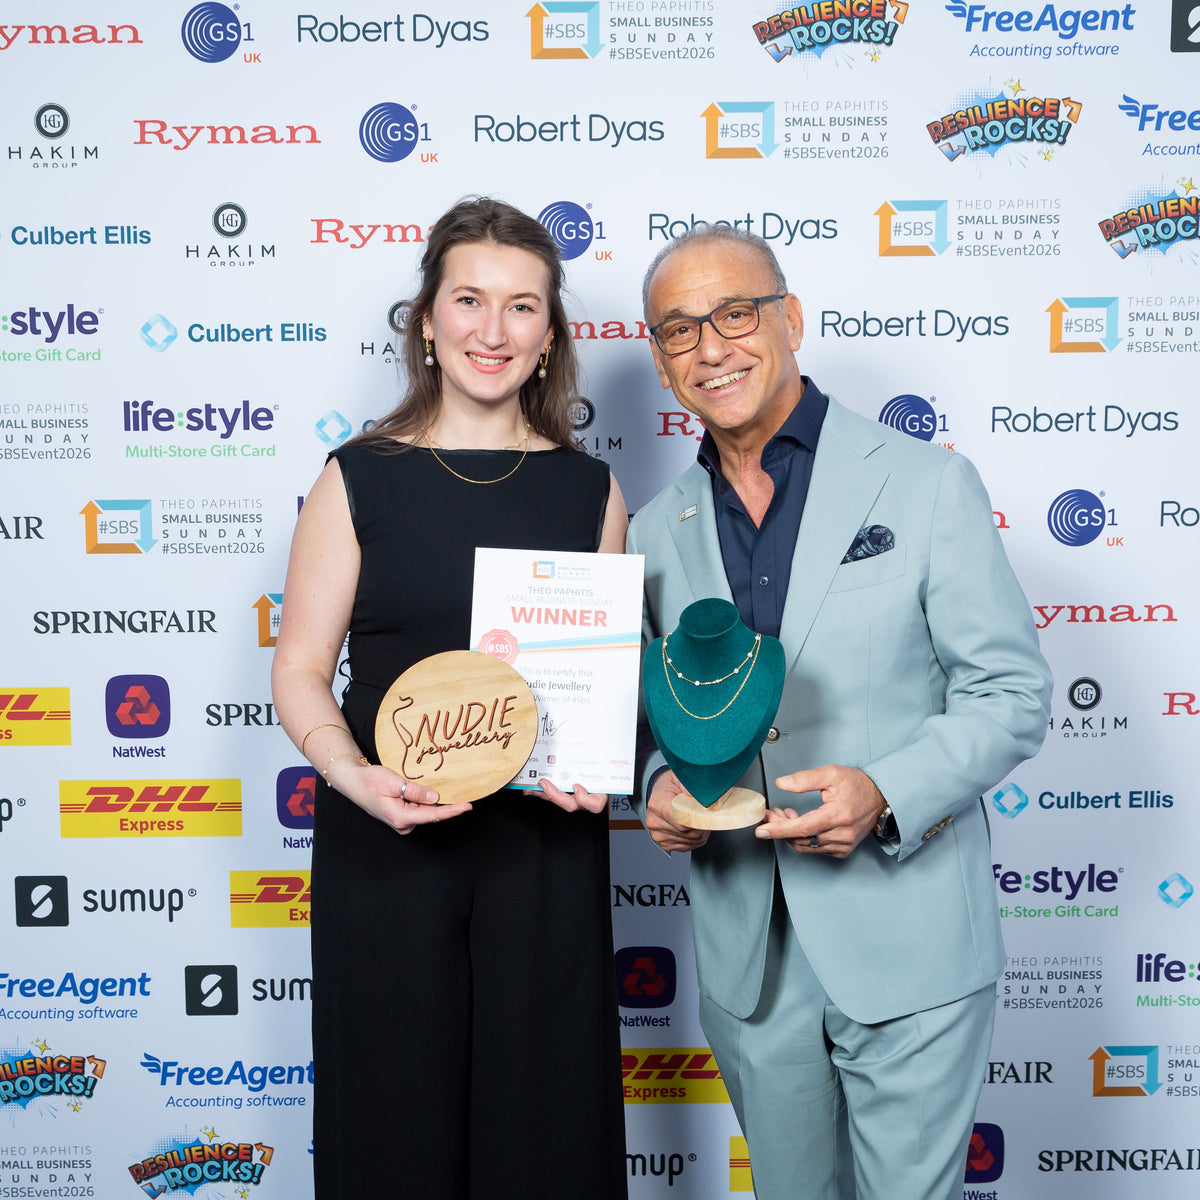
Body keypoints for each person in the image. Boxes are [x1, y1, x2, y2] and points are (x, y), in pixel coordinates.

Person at [626, 226, 1051, 1200]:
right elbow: (651, 717)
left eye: (735, 313)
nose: (712, 347)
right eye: (680, 329)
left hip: (907, 934)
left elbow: (1013, 694)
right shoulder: (653, 531)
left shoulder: (926, 482)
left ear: (791, 318)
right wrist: (658, 783)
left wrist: (886, 791)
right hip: (750, 958)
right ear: (658, 358)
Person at [271, 197, 629, 1200]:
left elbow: (601, 679)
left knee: (546, 1136)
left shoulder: (589, 493)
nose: (492, 330)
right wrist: (350, 777)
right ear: (426, 319)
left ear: (549, 336)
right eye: (468, 299)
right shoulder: (356, 479)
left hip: (543, 851)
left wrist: (598, 769)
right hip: (388, 845)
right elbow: (301, 667)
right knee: (392, 1131)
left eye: (522, 307)